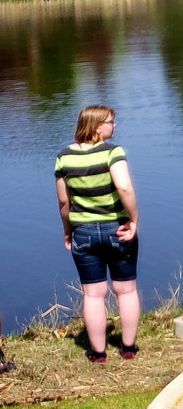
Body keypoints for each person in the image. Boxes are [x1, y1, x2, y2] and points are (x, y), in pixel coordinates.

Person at [55, 106, 140, 363]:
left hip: (83, 232)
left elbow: (63, 202)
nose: (114, 127)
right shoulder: (113, 152)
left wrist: (68, 230)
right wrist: (134, 219)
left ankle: (99, 353)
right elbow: (123, 187)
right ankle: (128, 348)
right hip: (118, 229)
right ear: (95, 127)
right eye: (110, 122)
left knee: (93, 294)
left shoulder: (63, 157)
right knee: (125, 290)